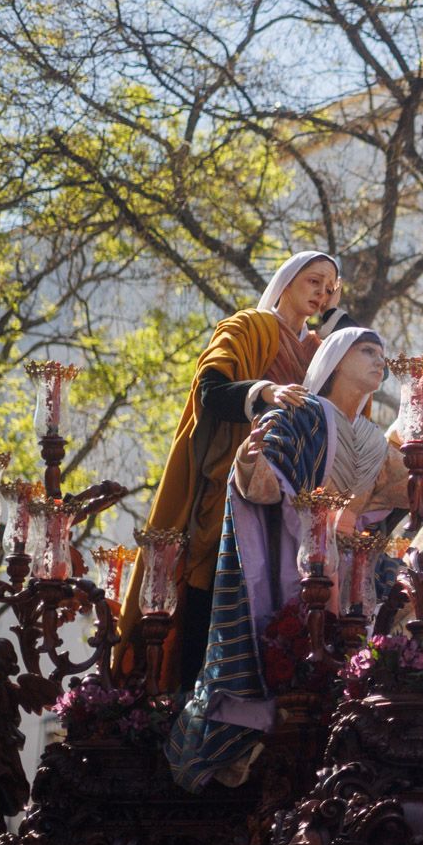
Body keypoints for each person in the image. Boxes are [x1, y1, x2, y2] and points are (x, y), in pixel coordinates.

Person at [165, 327, 407, 792]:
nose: (381, 361)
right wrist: (250, 462)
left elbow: (414, 491)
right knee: (293, 652)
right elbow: (263, 487)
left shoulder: (374, 439)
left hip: (356, 563)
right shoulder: (300, 414)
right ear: (335, 360)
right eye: (367, 351)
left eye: (382, 353)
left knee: (402, 606)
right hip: (298, 553)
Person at [121, 251, 343, 689]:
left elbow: (345, 412)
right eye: (313, 281)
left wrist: (336, 325)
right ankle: (196, 698)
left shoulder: (321, 351)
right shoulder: (249, 327)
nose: (321, 293)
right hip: (231, 490)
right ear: (286, 281)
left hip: (294, 503)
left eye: (329, 288)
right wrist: (264, 391)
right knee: (213, 596)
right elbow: (211, 388)